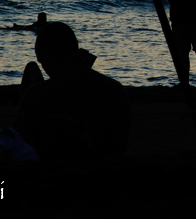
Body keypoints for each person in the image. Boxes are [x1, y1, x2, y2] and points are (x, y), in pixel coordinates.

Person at [15, 22, 130, 161]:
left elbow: (16, 144)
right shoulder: (115, 90)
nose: (44, 67)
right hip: (106, 173)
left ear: (47, 56)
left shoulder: (38, 95)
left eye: (41, 61)